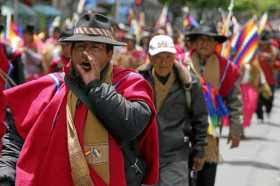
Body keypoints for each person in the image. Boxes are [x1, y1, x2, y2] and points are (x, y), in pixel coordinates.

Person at [0, 12, 159, 186]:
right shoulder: (51, 87)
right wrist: (6, 174)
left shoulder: (129, 83)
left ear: (109, 53)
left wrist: (96, 86)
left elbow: (131, 126)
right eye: (80, 46)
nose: (86, 54)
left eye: (95, 48)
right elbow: (15, 141)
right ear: (71, 51)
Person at [138, 35, 208, 186]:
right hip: (143, 157)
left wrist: (200, 149)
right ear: (149, 57)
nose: (163, 62)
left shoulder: (189, 83)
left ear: (174, 56)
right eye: (158, 57)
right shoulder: (137, 81)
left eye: (168, 56)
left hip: (176, 155)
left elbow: (200, 118)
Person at [185, 24, 243, 186]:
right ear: (194, 43)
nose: (203, 43)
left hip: (212, 126)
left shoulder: (227, 68)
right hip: (184, 123)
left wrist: (235, 129)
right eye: (200, 40)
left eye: (208, 40)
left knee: (207, 172)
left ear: (215, 43)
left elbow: (234, 100)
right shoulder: (181, 62)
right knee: (182, 173)